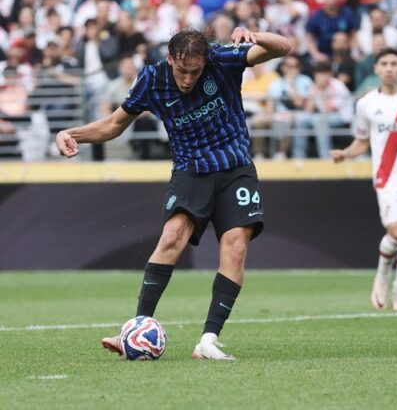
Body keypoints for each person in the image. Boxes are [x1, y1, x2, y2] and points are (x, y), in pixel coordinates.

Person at [55, 27, 291, 360]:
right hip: (191, 170)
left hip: (235, 168)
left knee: (236, 247)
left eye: (195, 71)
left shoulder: (222, 59)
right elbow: (113, 124)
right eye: (182, 70)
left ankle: (208, 341)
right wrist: (73, 133)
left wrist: (256, 35)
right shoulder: (152, 79)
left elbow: (283, 47)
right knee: (171, 237)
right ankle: (135, 328)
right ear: (170, 59)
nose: (188, 79)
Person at [331, 48, 397, 311]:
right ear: (376, 69)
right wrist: (345, 153)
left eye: (393, 63)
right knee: (396, 231)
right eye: (384, 64)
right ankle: (381, 279)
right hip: (387, 178)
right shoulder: (366, 104)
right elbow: (362, 141)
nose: (389, 68)